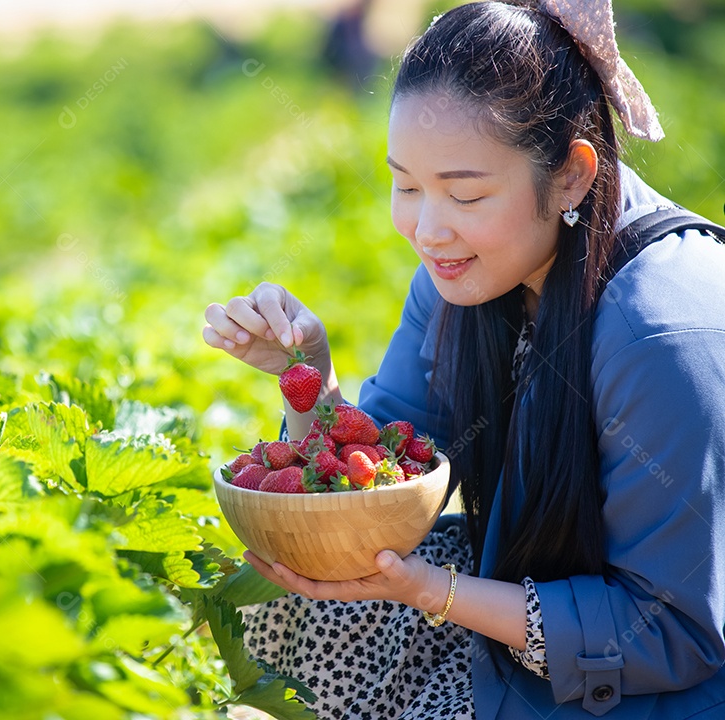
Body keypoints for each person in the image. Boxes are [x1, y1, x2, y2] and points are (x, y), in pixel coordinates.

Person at [202, 0, 725, 717]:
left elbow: (675, 632)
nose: (425, 229)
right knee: (272, 605)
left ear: (572, 176)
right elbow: (384, 486)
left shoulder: (660, 334)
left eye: (465, 192)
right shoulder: (468, 274)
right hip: (525, 615)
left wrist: (434, 593)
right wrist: (310, 382)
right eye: (406, 185)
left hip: (654, 685)